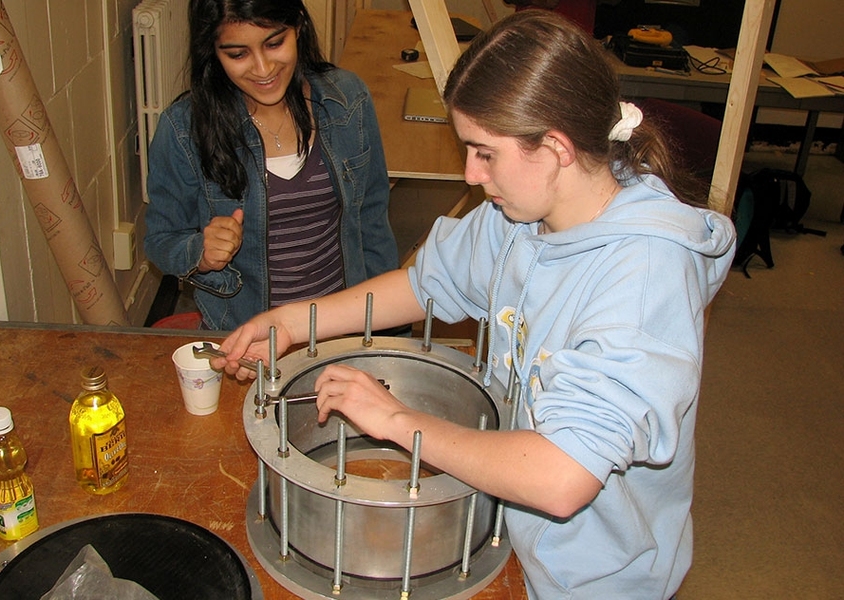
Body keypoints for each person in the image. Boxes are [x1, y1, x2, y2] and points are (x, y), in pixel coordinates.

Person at [213, 10, 735, 599]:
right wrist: (291, 322)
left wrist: (396, 420)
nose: (468, 172)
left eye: (483, 152)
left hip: (598, 576)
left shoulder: (643, 280)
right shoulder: (521, 219)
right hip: (519, 527)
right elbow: (421, 284)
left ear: (556, 147)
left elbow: (563, 477)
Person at [144, 0, 399, 330]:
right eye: (238, 54)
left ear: (298, 28)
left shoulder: (347, 101)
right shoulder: (184, 129)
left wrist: (386, 331)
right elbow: (161, 239)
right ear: (213, 51)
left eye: (275, 43)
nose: (263, 69)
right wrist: (200, 252)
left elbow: (373, 223)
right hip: (248, 336)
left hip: (340, 326)